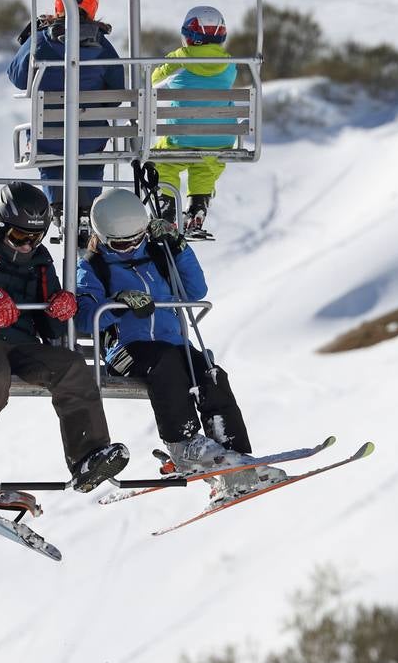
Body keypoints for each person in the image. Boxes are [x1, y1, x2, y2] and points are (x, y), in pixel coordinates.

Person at [0, 181, 129, 511]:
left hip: (21, 342)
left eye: (36, 237)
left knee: (72, 366)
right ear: (0, 225)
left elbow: (51, 326)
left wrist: (60, 308)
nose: (27, 245)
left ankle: (88, 455)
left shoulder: (40, 260)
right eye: (19, 237)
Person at [73, 188, 283, 503]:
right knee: (167, 363)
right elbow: (82, 316)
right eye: (120, 243)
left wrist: (178, 246)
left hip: (172, 341)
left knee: (210, 374)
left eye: (137, 238)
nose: (131, 247)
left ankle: (235, 460)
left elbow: (195, 289)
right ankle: (183, 445)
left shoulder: (158, 254)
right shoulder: (93, 267)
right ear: (102, 238)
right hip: (126, 350)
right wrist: (118, 304)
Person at [7, 0, 124, 244]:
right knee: (89, 151)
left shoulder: (42, 40)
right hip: (91, 137)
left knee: (50, 151)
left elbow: (16, 75)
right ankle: (88, 209)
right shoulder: (102, 45)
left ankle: (57, 205)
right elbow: (118, 89)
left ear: (58, 4)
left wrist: (30, 39)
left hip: (49, 138)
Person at [150, 5, 238, 237]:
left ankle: (167, 214)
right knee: (206, 166)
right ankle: (197, 209)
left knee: (164, 162)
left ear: (189, 36)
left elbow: (154, 82)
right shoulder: (231, 64)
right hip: (220, 139)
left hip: (181, 138)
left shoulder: (180, 60)